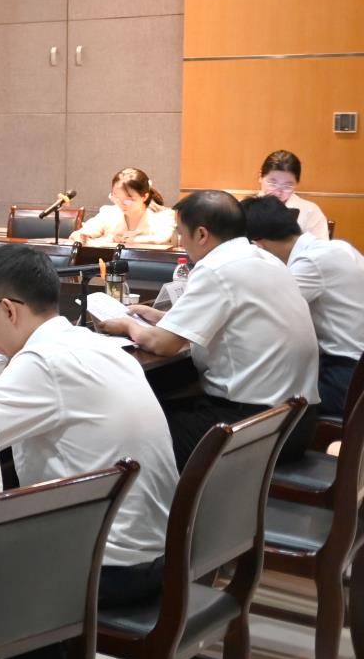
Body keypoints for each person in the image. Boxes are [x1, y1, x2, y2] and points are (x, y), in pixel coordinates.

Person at [0, 245, 176, 607]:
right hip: (158, 552)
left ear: (8, 309)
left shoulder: (42, 361)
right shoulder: (96, 344)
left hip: (108, 567)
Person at [101, 191, 320, 466]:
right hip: (295, 421)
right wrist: (166, 319)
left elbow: (164, 345)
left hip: (253, 427)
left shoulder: (216, 268)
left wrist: (127, 325)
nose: (181, 242)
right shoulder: (267, 260)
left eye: (181, 233)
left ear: (202, 234)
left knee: (130, 428)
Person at [241, 194, 364, 414]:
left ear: (258, 245)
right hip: (354, 370)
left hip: (344, 377)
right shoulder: (337, 248)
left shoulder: (310, 262)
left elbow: (266, 313)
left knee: (260, 403)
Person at [70, 168, 177, 249]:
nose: (121, 204)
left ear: (144, 196)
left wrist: (125, 241)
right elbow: (82, 233)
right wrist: (82, 236)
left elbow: (161, 239)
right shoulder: (110, 213)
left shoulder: (162, 217)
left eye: (128, 199)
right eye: (116, 197)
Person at [257, 149, 329, 241]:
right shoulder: (243, 208)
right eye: (272, 183)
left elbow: (320, 247)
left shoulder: (310, 211)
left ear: (296, 184)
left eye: (287, 186)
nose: (278, 192)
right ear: (260, 177)